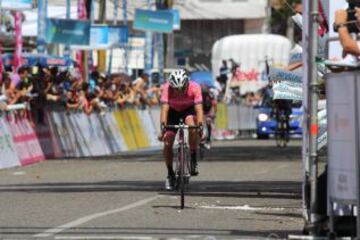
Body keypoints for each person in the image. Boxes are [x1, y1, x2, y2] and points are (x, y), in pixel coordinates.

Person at [158, 69, 204, 191]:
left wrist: (200, 127)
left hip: (188, 110)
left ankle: (193, 156)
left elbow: (199, 110)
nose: (179, 92)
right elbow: (164, 110)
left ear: (187, 84)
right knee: (168, 142)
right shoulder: (167, 88)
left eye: (182, 89)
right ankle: (170, 173)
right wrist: (162, 129)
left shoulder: (195, 87)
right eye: (176, 89)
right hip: (172, 112)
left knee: (192, 127)